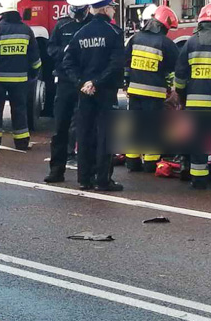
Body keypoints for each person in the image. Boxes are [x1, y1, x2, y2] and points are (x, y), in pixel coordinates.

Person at [62, 0, 125, 192]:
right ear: (106, 9)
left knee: (85, 133)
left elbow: (68, 62)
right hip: (105, 91)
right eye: (113, 7)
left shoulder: (80, 33)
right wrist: (96, 83)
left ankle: (84, 178)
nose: (114, 10)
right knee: (105, 136)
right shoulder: (115, 33)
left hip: (85, 92)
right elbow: (115, 64)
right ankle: (103, 180)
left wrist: (82, 83)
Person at [124, 5, 179, 172]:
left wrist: (127, 84)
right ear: (163, 25)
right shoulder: (166, 44)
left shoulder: (135, 38)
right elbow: (173, 70)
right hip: (154, 94)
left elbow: (125, 64)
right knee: (152, 128)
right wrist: (170, 88)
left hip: (134, 92)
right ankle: (150, 164)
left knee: (135, 126)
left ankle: (132, 162)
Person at [0, 0, 41, 151]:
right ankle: (21, 142)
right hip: (20, 79)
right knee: (20, 110)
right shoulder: (26, 30)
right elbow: (35, 58)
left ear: (1, 12)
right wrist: (33, 74)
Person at [44, 3, 90, 183]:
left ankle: (85, 173)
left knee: (84, 126)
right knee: (60, 127)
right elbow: (50, 49)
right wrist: (63, 52)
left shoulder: (91, 25)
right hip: (64, 82)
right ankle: (56, 170)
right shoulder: (62, 25)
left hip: (83, 83)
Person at [174, 3, 211, 190]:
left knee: (197, 141)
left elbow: (180, 77)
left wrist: (181, 96)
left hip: (196, 104)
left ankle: (198, 180)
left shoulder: (191, 43)